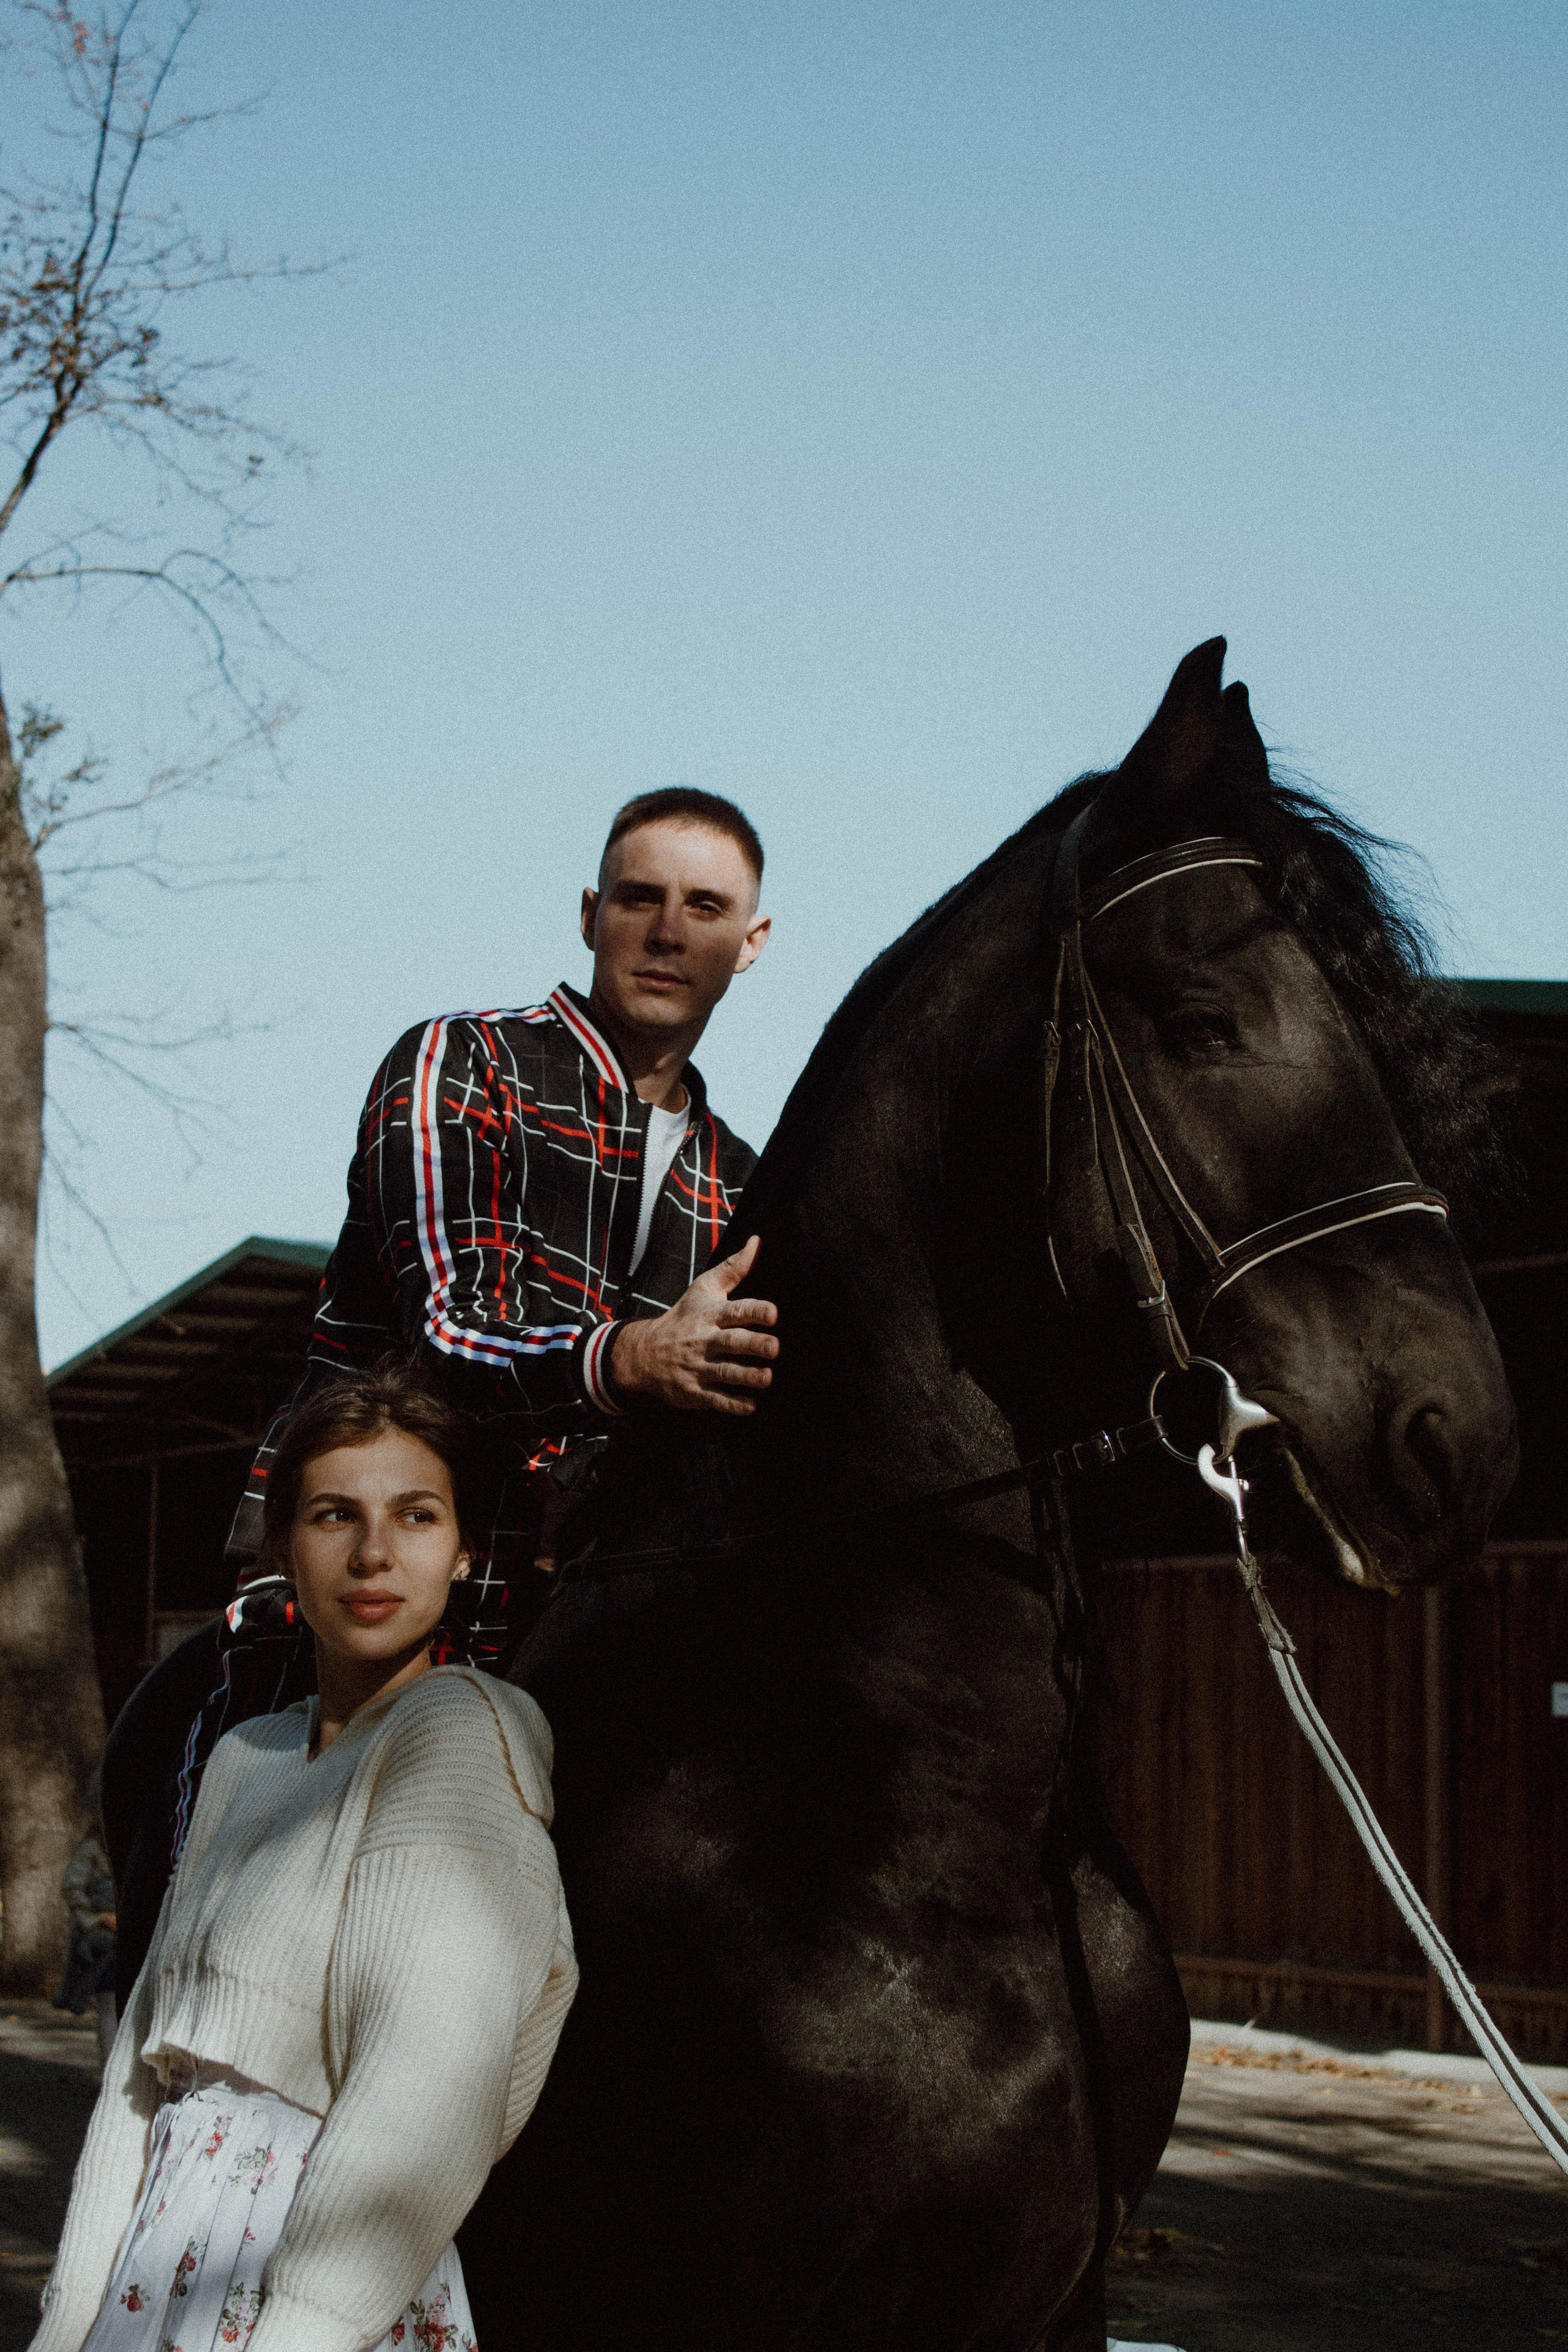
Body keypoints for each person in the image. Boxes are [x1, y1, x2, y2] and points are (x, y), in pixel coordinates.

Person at [33, 1365, 576, 2352]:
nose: (374, 1553)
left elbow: (428, 2102)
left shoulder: (456, 1736)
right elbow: (137, 2083)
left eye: (416, 1517)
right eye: (335, 1515)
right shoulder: (248, 1756)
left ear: (462, 1554)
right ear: (284, 1545)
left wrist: (307, 2331)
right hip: (154, 2282)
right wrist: (68, 2324)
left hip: (312, 2305)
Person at [227, 785, 781, 1650]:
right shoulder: (462, 1060)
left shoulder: (743, 1183)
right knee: (270, 1782)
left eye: (705, 907)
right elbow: (449, 1333)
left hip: (589, 1625)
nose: (669, 932)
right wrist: (634, 1356)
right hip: (373, 1597)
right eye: (641, 898)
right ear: (593, 915)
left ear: (751, 944)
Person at [52, 1803, 118, 2068]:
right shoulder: (93, 1849)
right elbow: (73, 1887)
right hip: (105, 1941)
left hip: (137, 1940)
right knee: (109, 2006)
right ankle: (109, 2072)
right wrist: (99, 1918)